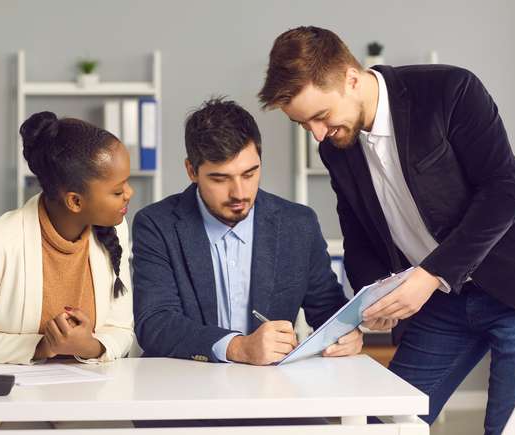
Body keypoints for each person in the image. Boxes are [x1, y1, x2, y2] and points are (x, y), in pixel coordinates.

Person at [258, 26, 515, 434]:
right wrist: (374, 299)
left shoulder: (451, 90)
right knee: (384, 423)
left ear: (351, 78)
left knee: (512, 429)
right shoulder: (335, 149)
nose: (318, 134)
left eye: (321, 116)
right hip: (442, 301)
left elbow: (502, 193)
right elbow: (358, 235)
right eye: (305, 125)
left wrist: (429, 276)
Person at [132, 97, 366, 367]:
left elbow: (326, 307)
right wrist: (237, 347)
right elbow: (155, 324)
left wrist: (347, 332)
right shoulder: (156, 224)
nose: (239, 193)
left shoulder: (298, 224)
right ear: (191, 171)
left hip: (272, 390)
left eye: (249, 174)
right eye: (220, 179)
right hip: (186, 388)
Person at [0, 111, 135, 366]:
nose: (129, 193)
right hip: (4, 399)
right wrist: (42, 346)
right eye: (118, 190)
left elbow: (121, 328)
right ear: (75, 201)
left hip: (88, 395)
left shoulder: (114, 230)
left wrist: (89, 346)